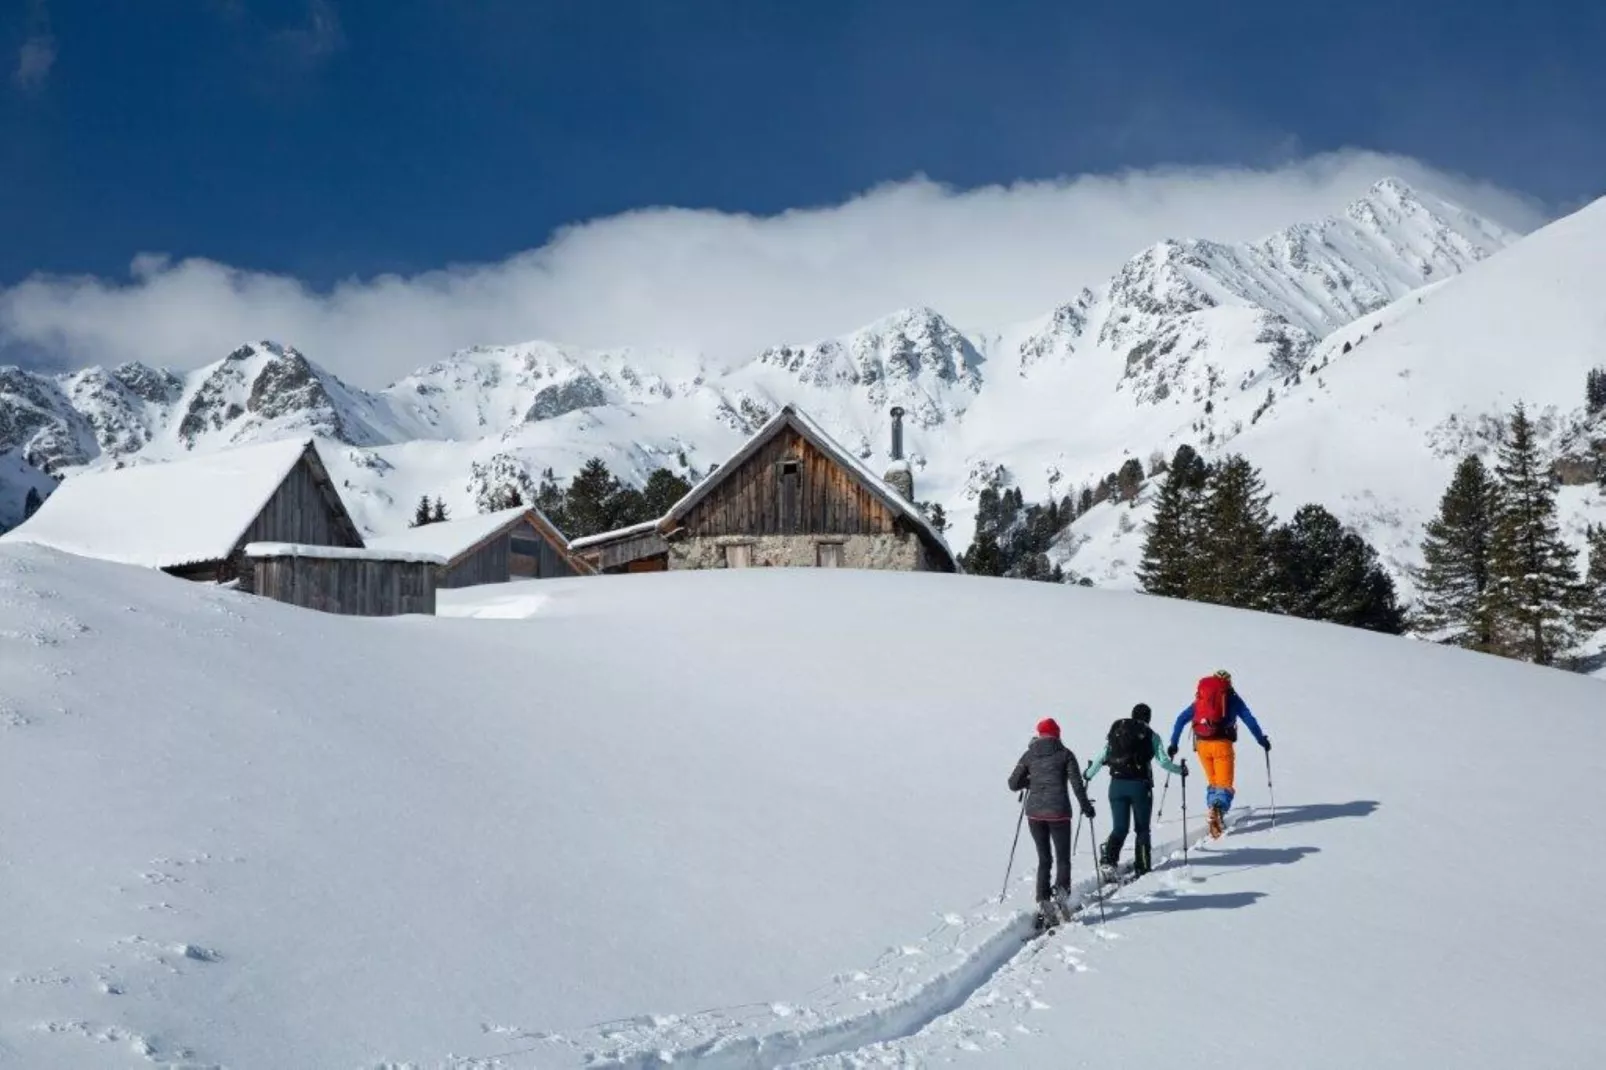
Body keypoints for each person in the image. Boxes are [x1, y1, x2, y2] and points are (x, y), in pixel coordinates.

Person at [1008, 717, 1096, 926]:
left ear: (1039, 734)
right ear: (1057, 734)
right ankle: (1061, 897)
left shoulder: (1029, 754)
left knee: (1044, 859)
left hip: (1035, 815)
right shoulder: (1065, 754)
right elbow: (1077, 784)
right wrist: (1086, 807)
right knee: (1063, 858)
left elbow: (1013, 783)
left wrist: (1032, 780)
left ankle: (1043, 900)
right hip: (1059, 814)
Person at [1084, 703, 1187, 878]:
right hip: (1140, 787)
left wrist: (1088, 774)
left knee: (1120, 827)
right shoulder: (1152, 735)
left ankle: (1108, 858)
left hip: (1116, 785)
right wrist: (1180, 770)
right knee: (1142, 829)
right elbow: (1163, 762)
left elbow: (1102, 756)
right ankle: (1143, 866)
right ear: (1148, 718)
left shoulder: (1119, 731)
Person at [1167, 670, 1270, 838]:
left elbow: (1181, 719)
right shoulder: (1233, 699)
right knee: (1224, 785)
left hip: (1201, 745)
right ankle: (1217, 810)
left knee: (1214, 783)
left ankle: (1213, 809)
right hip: (1222, 745)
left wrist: (1174, 743)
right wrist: (1261, 740)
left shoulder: (1201, 701)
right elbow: (1249, 719)